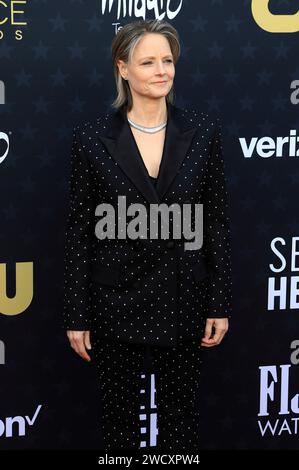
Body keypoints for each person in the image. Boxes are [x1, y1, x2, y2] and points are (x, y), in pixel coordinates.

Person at [63, 19, 233, 452]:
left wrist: (219, 301)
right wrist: (76, 313)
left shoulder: (204, 131)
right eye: (148, 61)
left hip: (184, 298)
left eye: (168, 60)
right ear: (123, 68)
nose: (162, 70)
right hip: (115, 301)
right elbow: (81, 233)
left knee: (181, 419)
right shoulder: (91, 138)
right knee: (118, 421)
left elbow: (215, 223)